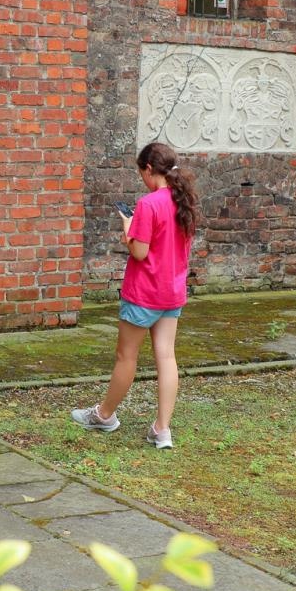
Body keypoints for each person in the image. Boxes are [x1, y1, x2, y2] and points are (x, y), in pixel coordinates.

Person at [69, 142, 200, 449]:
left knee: (126, 357)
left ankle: (104, 415)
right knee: (166, 357)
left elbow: (139, 252)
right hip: (172, 292)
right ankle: (162, 429)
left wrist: (127, 229)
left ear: (149, 169)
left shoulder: (148, 204)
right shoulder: (186, 202)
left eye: (141, 171)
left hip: (144, 293)